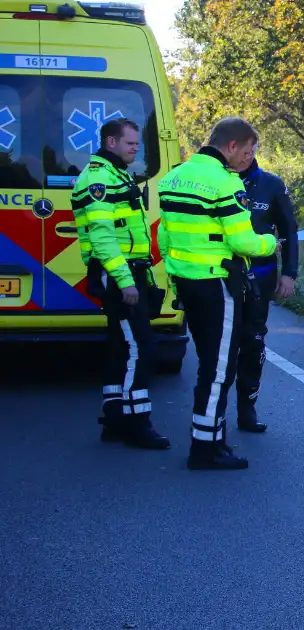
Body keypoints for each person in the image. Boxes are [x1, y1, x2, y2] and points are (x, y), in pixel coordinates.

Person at [157, 117, 277, 470]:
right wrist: (272, 242)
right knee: (219, 369)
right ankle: (205, 448)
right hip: (219, 286)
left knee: (208, 364)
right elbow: (243, 241)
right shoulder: (225, 183)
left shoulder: (173, 177)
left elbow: (165, 237)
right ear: (231, 146)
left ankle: (213, 439)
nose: (249, 158)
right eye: (249, 149)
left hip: (187, 283)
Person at [72, 117, 170, 450]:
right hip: (119, 275)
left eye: (136, 144)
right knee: (141, 347)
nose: (135, 149)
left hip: (127, 272)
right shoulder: (99, 179)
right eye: (130, 144)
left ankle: (114, 419)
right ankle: (136, 423)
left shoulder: (116, 175)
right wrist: (126, 282)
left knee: (120, 347)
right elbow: (103, 239)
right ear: (110, 142)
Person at [232, 155, 298, 433]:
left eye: (249, 149)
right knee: (223, 345)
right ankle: (212, 413)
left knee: (253, 342)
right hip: (225, 276)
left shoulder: (271, 184)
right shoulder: (217, 180)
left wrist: (289, 273)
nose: (244, 155)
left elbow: (289, 230)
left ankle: (247, 408)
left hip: (261, 277)